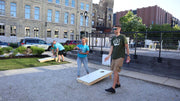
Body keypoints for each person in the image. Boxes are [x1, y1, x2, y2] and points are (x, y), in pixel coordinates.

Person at [104, 25, 131, 93]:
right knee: (114, 71)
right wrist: (109, 55)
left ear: (119, 29)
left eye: (116, 29)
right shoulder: (113, 38)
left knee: (115, 71)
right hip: (114, 57)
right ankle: (118, 83)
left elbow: (127, 47)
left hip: (120, 57)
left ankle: (113, 88)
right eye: (113, 29)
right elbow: (111, 48)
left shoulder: (122, 37)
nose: (114, 30)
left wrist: (128, 55)